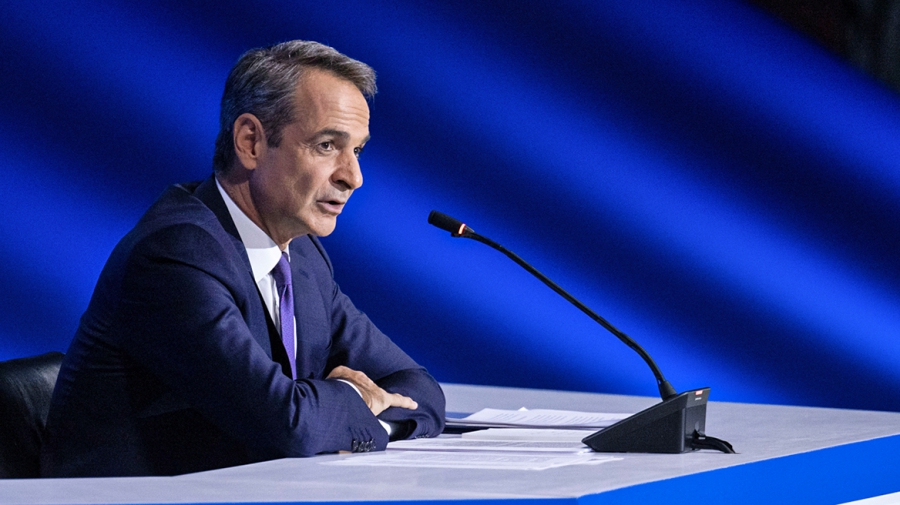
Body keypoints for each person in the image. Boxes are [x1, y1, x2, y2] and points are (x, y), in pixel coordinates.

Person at [39, 40, 445, 477]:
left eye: (358, 151)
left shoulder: (303, 256)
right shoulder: (174, 255)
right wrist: (355, 398)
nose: (353, 177)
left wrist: (366, 421)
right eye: (327, 145)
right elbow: (285, 424)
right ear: (251, 142)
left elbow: (419, 388)